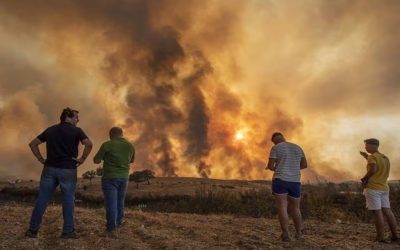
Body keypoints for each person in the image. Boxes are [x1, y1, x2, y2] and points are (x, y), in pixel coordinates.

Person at [26, 107, 93, 239]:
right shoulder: (77, 131)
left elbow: (33, 144)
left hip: (49, 168)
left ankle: (32, 230)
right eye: (76, 117)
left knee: (42, 199)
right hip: (68, 169)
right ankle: (68, 231)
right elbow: (89, 144)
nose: (78, 120)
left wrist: (40, 159)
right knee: (68, 200)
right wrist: (82, 159)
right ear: (68, 117)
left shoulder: (51, 130)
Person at [93, 127, 135, 236]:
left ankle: (111, 228)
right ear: (121, 134)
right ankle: (119, 221)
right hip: (124, 177)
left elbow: (96, 160)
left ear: (111, 134)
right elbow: (131, 160)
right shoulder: (130, 145)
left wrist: (105, 157)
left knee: (111, 202)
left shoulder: (107, 144)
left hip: (110, 177)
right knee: (120, 200)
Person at [266, 132, 307, 242]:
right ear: (283, 138)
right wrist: (292, 168)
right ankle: (299, 234)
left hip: (280, 180)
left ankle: (286, 235)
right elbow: (304, 165)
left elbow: (270, 166)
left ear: (274, 140)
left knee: (282, 207)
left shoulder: (275, 148)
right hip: (294, 182)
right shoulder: (298, 148)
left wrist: (276, 168)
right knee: (296, 208)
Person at [360, 138, 398, 243]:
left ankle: (380, 238)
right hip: (384, 188)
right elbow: (377, 165)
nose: (366, 147)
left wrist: (364, 179)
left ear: (374, 146)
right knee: (388, 211)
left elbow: (373, 169)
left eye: (367, 145)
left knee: (377, 212)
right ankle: (395, 236)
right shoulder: (385, 157)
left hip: (373, 188)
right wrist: (366, 157)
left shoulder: (372, 157)